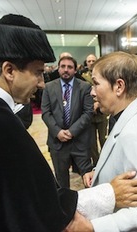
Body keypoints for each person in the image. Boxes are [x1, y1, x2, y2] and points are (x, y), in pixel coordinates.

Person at [0, 14, 137, 231]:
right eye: (38, 73)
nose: (41, 84)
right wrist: (110, 194)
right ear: (9, 70)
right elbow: (36, 206)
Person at [72, 51, 137, 231]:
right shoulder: (124, 115)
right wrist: (100, 172)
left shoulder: (136, 132)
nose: (92, 92)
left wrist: (94, 227)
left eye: (96, 83)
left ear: (119, 86)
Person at [41, 55, 94, 188]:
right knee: (61, 181)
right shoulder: (49, 87)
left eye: (69, 67)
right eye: (63, 66)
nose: (66, 70)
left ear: (75, 70)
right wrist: (57, 132)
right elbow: (46, 113)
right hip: (57, 142)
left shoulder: (85, 87)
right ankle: (64, 207)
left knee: (88, 179)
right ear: (58, 69)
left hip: (80, 141)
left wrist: (72, 131)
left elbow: (88, 113)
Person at [82, 54, 108, 166]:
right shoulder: (82, 77)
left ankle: (107, 162)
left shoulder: (103, 76)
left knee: (104, 139)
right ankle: (97, 165)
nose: (91, 62)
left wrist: (98, 102)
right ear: (86, 63)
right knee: (92, 143)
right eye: (89, 61)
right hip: (88, 114)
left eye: (93, 60)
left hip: (102, 113)